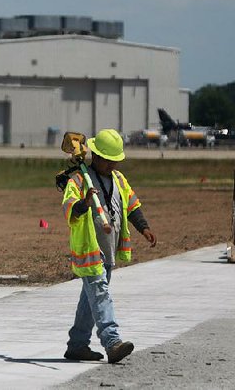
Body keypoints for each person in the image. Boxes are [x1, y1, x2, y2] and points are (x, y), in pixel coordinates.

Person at [61, 128, 157, 364]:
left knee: (91, 299)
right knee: (101, 295)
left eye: (115, 161)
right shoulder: (79, 179)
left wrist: (144, 228)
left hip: (109, 250)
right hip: (89, 251)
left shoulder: (119, 179)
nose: (112, 166)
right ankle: (112, 341)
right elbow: (69, 208)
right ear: (96, 156)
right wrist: (84, 203)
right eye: (109, 161)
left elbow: (132, 206)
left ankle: (77, 345)